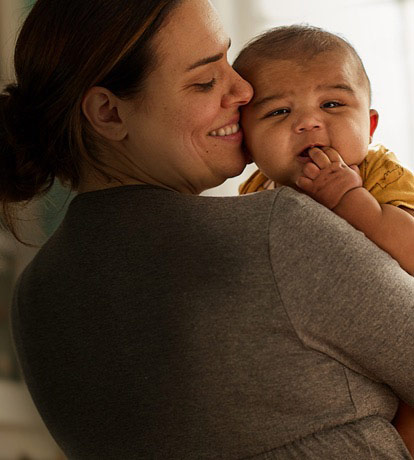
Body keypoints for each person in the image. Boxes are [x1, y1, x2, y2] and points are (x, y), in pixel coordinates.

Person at [2, 1, 414, 458]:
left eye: (227, 60)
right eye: (205, 80)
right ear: (109, 113)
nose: (243, 89)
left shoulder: (33, 297)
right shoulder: (277, 232)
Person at [234, 24, 414, 453]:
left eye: (332, 104)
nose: (309, 122)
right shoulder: (256, 193)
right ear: (246, 142)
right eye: (278, 112)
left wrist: (351, 200)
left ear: (368, 125)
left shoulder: (378, 173)